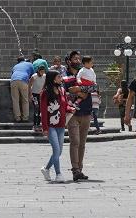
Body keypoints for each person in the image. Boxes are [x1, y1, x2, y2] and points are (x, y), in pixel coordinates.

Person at [64, 50, 97, 182]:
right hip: (72, 113)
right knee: (75, 142)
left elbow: (94, 87)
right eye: (75, 59)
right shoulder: (64, 76)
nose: (77, 61)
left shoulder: (88, 73)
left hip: (86, 111)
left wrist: (79, 89)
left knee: (82, 143)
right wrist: (77, 93)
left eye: (79, 59)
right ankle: (75, 169)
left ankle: (80, 169)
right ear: (68, 61)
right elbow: (63, 93)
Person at [40, 70, 74, 183]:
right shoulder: (45, 93)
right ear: (53, 79)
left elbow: (64, 105)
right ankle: (59, 174)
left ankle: (46, 169)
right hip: (50, 126)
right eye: (59, 77)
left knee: (58, 152)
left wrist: (70, 109)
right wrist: (44, 128)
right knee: (56, 150)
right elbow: (43, 112)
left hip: (61, 124)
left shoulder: (62, 90)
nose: (61, 79)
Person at [10, 56, 34, 122]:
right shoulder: (29, 64)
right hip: (23, 81)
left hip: (13, 81)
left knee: (15, 100)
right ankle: (25, 118)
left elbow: (12, 74)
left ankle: (17, 118)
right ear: (24, 60)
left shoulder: (15, 66)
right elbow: (33, 75)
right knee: (25, 100)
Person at [28, 60, 47, 132]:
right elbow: (29, 85)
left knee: (40, 109)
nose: (42, 73)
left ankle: (38, 124)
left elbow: (45, 84)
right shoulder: (34, 76)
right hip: (34, 94)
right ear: (38, 71)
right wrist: (30, 95)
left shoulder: (45, 76)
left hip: (40, 95)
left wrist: (43, 91)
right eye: (41, 71)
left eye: (43, 71)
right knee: (36, 107)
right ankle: (35, 124)